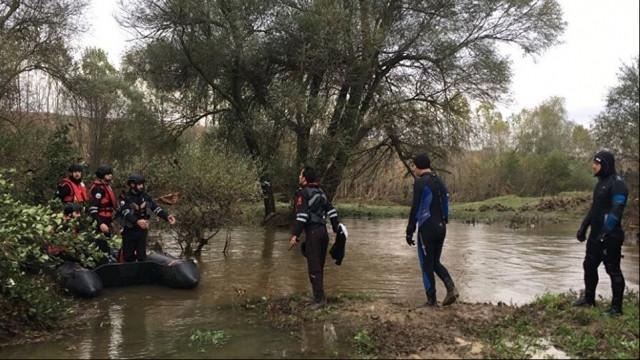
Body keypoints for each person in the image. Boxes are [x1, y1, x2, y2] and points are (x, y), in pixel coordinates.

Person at [574, 150, 628, 316]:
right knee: (588, 265)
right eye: (594, 163)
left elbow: (617, 209)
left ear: (605, 165)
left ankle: (616, 309)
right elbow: (594, 209)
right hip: (596, 235)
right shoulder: (600, 183)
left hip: (610, 235)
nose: (593, 166)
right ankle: (589, 299)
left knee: (613, 270)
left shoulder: (618, 183)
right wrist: (584, 228)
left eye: (597, 163)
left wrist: (606, 232)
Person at [405, 154, 459, 307]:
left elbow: (415, 208)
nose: (414, 169)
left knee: (426, 264)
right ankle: (451, 288)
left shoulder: (420, 182)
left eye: (414, 166)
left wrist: (409, 230)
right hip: (441, 227)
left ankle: (431, 301)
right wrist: (444, 219)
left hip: (427, 228)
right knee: (435, 262)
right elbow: (445, 201)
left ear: (418, 166)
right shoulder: (439, 180)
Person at [289, 166, 341, 308]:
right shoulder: (320, 192)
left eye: (300, 175)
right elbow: (332, 211)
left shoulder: (303, 193)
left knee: (314, 266)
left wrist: (295, 234)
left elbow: (302, 216)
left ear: (305, 178)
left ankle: (319, 299)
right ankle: (319, 295)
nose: (299, 177)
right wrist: (336, 227)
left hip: (313, 232)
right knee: (319, 264)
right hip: (323, 233)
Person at [118, 174, 176, 262]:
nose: (142, 186)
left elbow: (155, 208)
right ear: (132, 185)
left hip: (142, 230)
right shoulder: (125, 198)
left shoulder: (145, 196)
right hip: (130, 230)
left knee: (141, 255)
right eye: (139, 184)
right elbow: (126, 213)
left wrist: (167, 217)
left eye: (142, 184)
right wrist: (137, 221)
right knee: (128, 256)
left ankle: (142, 273)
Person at [88, 164, 118, 256]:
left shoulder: (107, 187)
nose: (110, 175)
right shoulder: (99, 189)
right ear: (102, 175)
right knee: (102, 246)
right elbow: (93, 208)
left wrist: (110, 222)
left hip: (106, 220)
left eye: (110, 174)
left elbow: (108, 207)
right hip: (100, 221)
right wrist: (100, 223)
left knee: (108, 245)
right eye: (107, 174)